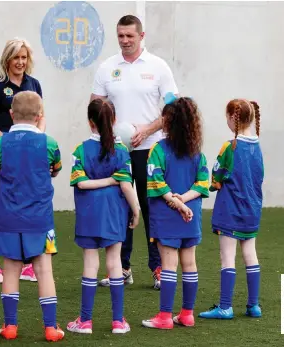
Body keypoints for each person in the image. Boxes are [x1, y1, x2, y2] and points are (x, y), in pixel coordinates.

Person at [91, 15, 180, 289]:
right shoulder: (107, 68)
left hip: (150, 150)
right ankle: (123, 268)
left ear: (142, 36)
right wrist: (106, 139)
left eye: (130, 36)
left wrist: (149, 128)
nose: (125, 41)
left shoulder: (158, 67)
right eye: (120, 36)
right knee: (120, 209)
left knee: (152, 208)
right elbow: (95, 108)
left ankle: (157, 268)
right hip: (116, 152)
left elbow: (173, 109)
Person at [0, 91, 65, 342]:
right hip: (39, 218)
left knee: (10, 271)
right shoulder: (49, 143)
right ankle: (50, 328)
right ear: (39, 116)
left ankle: (10, 326)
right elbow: (55, 169)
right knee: (44, 271)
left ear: (11, 114)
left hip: (8, 217)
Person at [66, 99, 140, 335]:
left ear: (90, 123)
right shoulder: (121, 151)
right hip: (114, 214)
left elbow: (82, 183)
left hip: (88, 213)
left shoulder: (80, 150)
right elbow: (127, 186)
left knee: (90, 262)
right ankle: (118, 321)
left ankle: (85, 322)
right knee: (114, 262)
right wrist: (136, 210)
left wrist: (102, 182)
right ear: (115, 121)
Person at [0, 38, 44, 284]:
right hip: (4, 153)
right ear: (7, 59)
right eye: (16, 57)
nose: (20, 62)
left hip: (28, 154)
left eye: (24, 57)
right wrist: (7, 138)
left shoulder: (34, 84)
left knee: (26, 203)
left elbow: (41, 117)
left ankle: (28, 264)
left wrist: (37, 137)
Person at [141, 94, 208, 330]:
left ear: (168, 122)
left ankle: (165, 317)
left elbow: (157, 182)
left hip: (167, 214)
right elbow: (202, 183)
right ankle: (187, 314)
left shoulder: (157, 150)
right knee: (189, 263)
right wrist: (185, 200)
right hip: (191, 214)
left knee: (169, 264)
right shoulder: (197, 152)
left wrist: (176, 202)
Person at [199, 99, 263, 320]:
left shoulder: (230, 146)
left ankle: (225, 307)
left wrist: (213, 184)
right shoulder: (257, 146)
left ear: (232, 118)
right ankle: (253, 305)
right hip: (252, 209)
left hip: (230, 209)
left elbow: (217, 174)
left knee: (227, 257)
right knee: (250, 254)